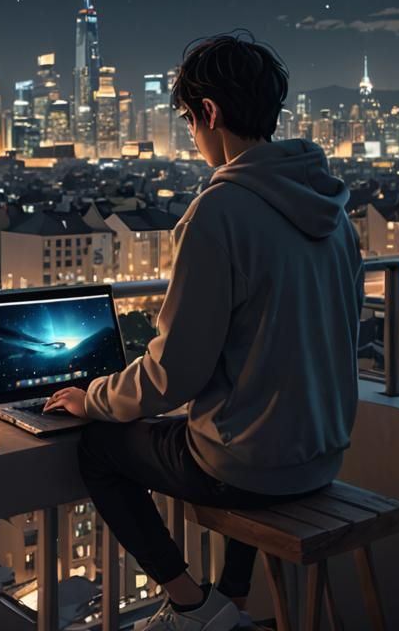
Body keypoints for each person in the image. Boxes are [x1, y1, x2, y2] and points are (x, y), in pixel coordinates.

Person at [44, 33, 363, 631]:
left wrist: (91, 398)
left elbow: (175, 374)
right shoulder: (333, 211)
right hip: (323, 453)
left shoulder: (218, 212)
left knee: (101, 448)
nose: (192, 137)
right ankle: (233, 603)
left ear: (210, 113)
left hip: (251, 467)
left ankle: (190, 605)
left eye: (190, 120)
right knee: (242, 424)